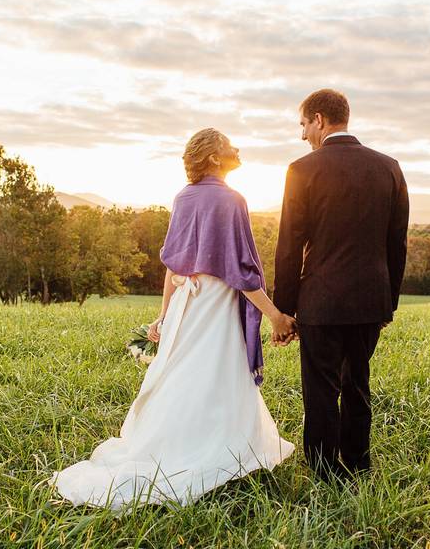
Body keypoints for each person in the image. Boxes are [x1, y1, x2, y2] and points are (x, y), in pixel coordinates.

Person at [52, 128, 296, 509]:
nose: (236, 148)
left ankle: (173, 442)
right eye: (228, 144)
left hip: (188, 304)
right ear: (214, 158)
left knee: (184, 374)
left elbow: (172, 267)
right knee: (217, 374)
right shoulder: (232, 200)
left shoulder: (183, 198)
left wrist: (165, 316)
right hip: (215, 305)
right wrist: (276, 316)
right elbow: (243, 273)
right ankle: (218, 450)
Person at [273, 88, 409, 481]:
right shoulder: (389, 168)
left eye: (303, 124)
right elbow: (396, 244)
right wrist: (389, 303)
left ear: (319, 119)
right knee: (357, 381)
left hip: (320, 302)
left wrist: (285, 308)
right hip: (371, 300)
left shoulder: (302, 170)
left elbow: (289, 245)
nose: (302, 135)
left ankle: (324, 470)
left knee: (320, 390)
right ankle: (359, 463)